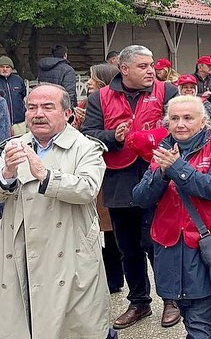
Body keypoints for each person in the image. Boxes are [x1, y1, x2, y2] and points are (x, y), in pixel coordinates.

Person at [0, 84, 114, 338]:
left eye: (47, 107)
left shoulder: (85, 147)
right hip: (21, 250)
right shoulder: (14, 146)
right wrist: (6, 176)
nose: (38, 114)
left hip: (68, 252)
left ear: (67, 113)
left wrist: (46, 176)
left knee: (73, 326)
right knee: (23, 321)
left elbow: (88, 189)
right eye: (32, 107)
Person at [82, 45, 181, 330]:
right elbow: (89, 135)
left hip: (157, 173)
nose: (150, 70)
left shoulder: (167, 91)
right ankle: (139, 302)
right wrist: (113, 135)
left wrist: (154, 139)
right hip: (119, 177)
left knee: (159, 242)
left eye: (151, 65)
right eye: (142, 66)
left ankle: (171, 299)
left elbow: (180, 129)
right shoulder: (100, 97)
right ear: (124, 69)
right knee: (128, 246)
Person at [132, 95, 211, 339]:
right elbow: (141, 198)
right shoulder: (162, 151)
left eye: (188, 118)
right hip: (168, 246)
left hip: (205, 246)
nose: (180, 124)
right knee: (191, 318)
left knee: (199, 321)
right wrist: (163, 174)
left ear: (203, 122)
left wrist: (177, 168)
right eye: (174, 118)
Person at [72, 63, 125, 294]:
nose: (89, 82)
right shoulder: (85, 104)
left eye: (93, 78)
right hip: (89, 168)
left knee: (109, 227)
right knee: (96, 228)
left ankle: (115, 277)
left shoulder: (110, 103)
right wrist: (76, 123)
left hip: (107, 170)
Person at [0, 55, 28, 136]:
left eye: (7, 67)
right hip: (2, 123)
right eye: (2, 67)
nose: (5, 69)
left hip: (18, 122)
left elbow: (23, 95)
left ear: (11, 68)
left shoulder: (18, 80)